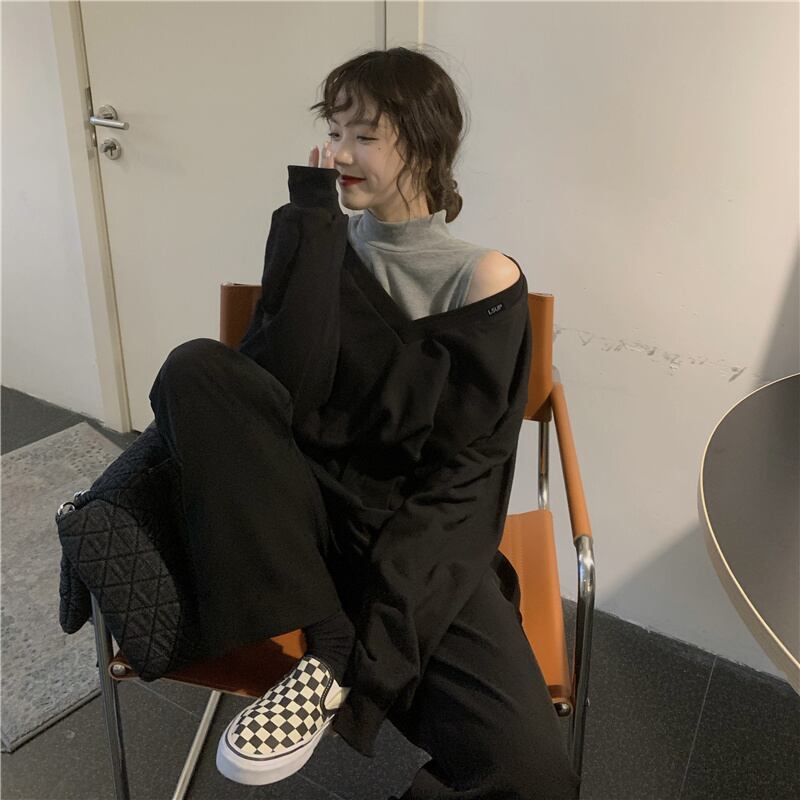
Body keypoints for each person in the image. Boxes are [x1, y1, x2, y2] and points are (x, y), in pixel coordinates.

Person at [150, 45, 580, 800]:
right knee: (195, 367)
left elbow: (465, 478)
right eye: (334, 131)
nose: (340, 153)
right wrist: (311, 229)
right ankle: (329, 637)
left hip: (421, 543)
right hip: (296, 522)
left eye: (365, 135)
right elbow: (278, 393)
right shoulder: (321, 236)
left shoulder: (482, 281)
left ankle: (339, 659)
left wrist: (379, 638)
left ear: (424, 144)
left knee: (532, 774)